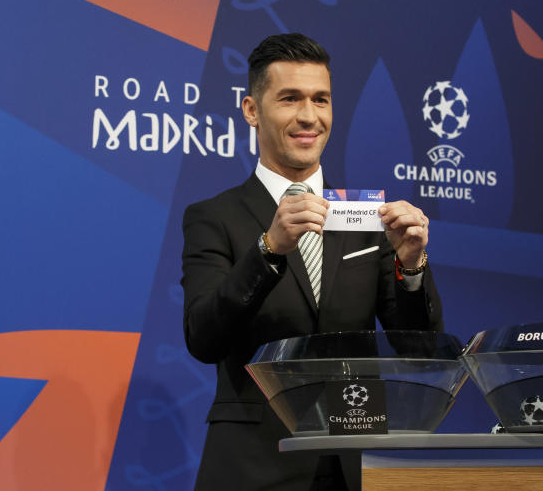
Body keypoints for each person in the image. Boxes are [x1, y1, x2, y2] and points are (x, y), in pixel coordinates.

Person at [181, 33, 442, 490]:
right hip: (254, 468)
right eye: (289, 99)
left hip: (354, 466)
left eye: (321, 99)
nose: (309, 116)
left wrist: (412, 267)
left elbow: (421, 353)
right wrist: (269, 248)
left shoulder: (367, 218)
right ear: (251, 110)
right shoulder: (213, 217)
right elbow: (204, 338)